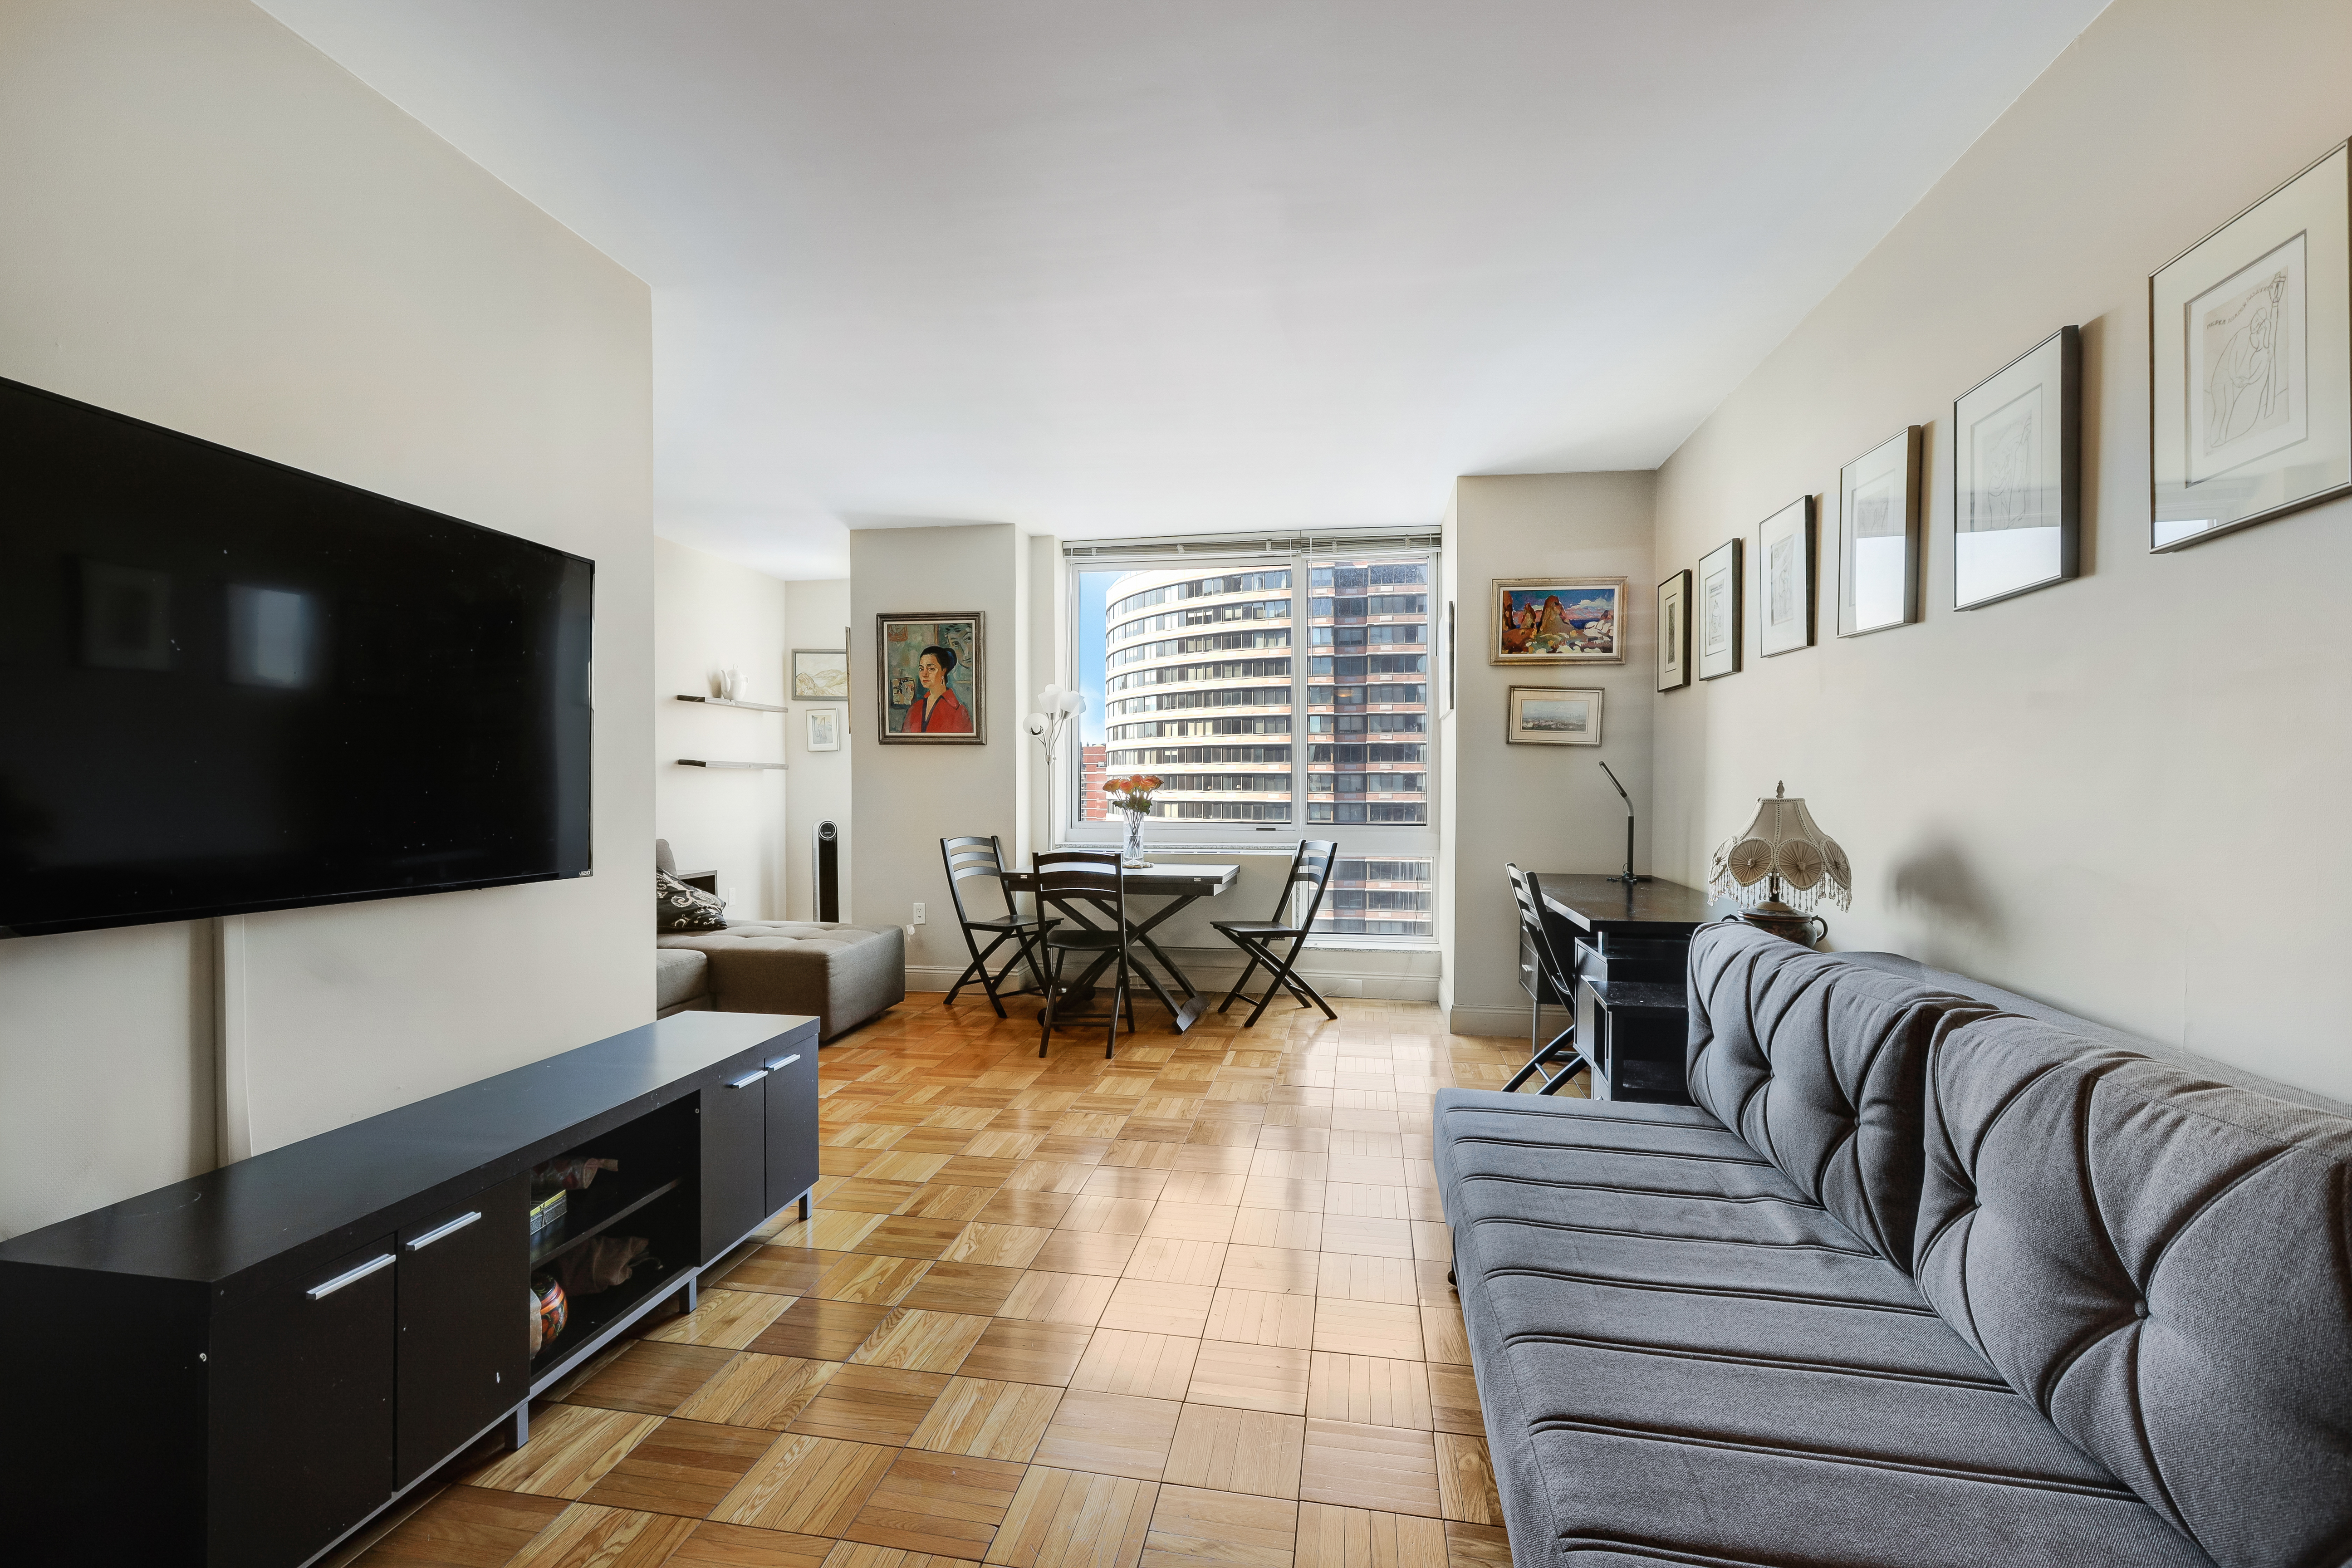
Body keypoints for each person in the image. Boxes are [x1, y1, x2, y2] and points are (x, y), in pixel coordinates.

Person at [901, 643, 972, 733]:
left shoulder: (959, 711)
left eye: (931, 669)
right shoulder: (915, 708)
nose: (924, 674)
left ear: (944, 670)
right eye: (921, 669)